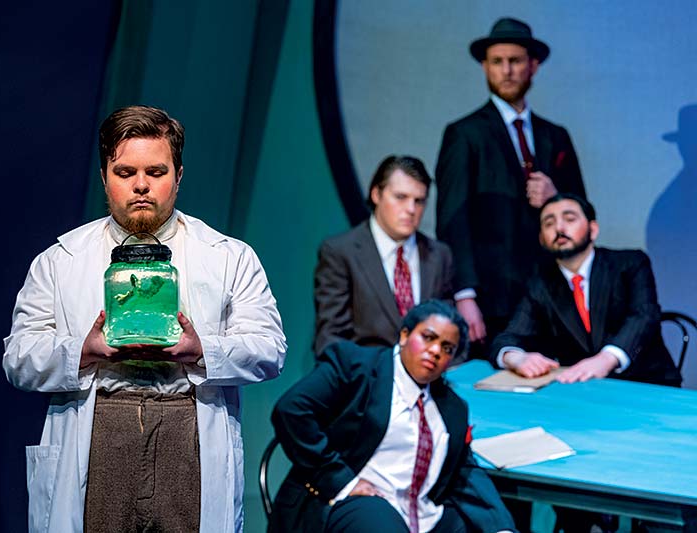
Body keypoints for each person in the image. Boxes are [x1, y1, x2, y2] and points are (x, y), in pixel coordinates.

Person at [3, 105, 287, 533]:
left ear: (179, 176)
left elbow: (270, 349)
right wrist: (82, 350)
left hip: (187, 427)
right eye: (125, 173)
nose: (141, 186)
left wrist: (201, 350)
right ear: (104, 176)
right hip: (100, 426)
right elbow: (18, 357)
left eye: (156, 171)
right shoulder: (60, 260)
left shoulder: (229, 257)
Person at [270, 300, 516, 533]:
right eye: (428, 338)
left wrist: (500, 527)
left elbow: (465, 470)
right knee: (379, 520)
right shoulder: (356, 367)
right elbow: (292, 410)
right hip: (354, 499)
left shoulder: (451, 407)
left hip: (419, 510)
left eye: (446, 347)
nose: (435, 351)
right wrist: (341, 479)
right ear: (405, 335)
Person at [435, 17, 586, 357]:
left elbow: (582, 210)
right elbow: (452, 219)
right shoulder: (465, 133)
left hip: (552, 294)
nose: (506, 70)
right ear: (485, 67)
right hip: (493, 298)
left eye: (515, 61)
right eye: (497, 62)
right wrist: (465, 295)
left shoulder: (554, 135)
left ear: (533, 66)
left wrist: (555, 198)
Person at [490, 192, 682, 389]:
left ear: (593, 229)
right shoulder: (540, 283)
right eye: (549, 223)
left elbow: (644, 316)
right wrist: (515, 358)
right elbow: (510, 335)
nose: (559, 228)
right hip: (584, 389)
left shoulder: (630, 263)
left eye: (569, 219)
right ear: (541, 239)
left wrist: (607, 358)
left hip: (646, 384)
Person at [314, 155, 454, 356]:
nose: (411, 209)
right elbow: (331, 339)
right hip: (366, 379)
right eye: (400, 197)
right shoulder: (340, 252)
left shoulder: (439, 256)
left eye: (419, 201)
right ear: (376, 194)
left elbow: (449, 331)